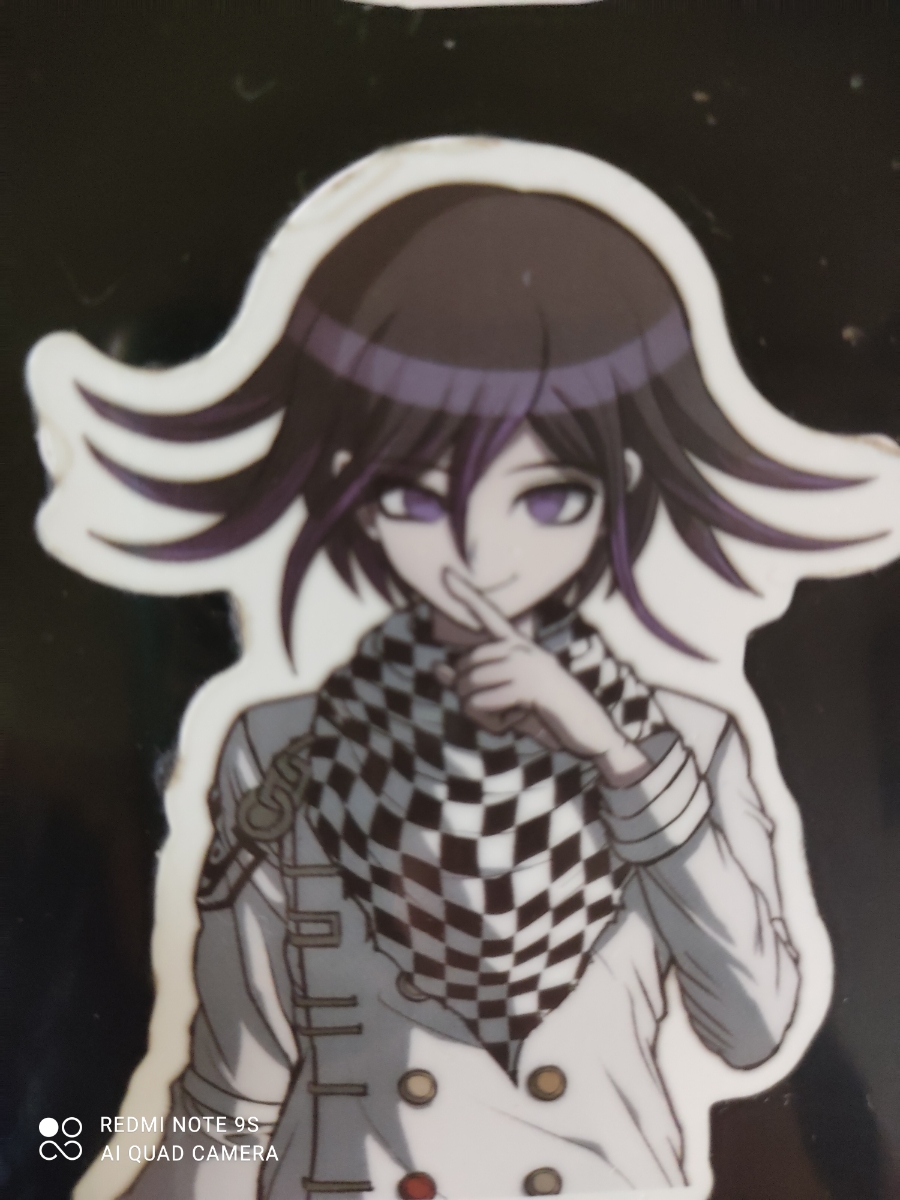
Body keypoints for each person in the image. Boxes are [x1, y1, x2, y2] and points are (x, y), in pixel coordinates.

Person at [72, 183, 855, 1197]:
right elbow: (233, 1088)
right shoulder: (283, 748)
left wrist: (620, 763)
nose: (478, 554)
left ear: (619, 490)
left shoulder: (682, 746)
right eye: (413, 494)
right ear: (352, 491)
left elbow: (752, 1032)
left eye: (548, 496)